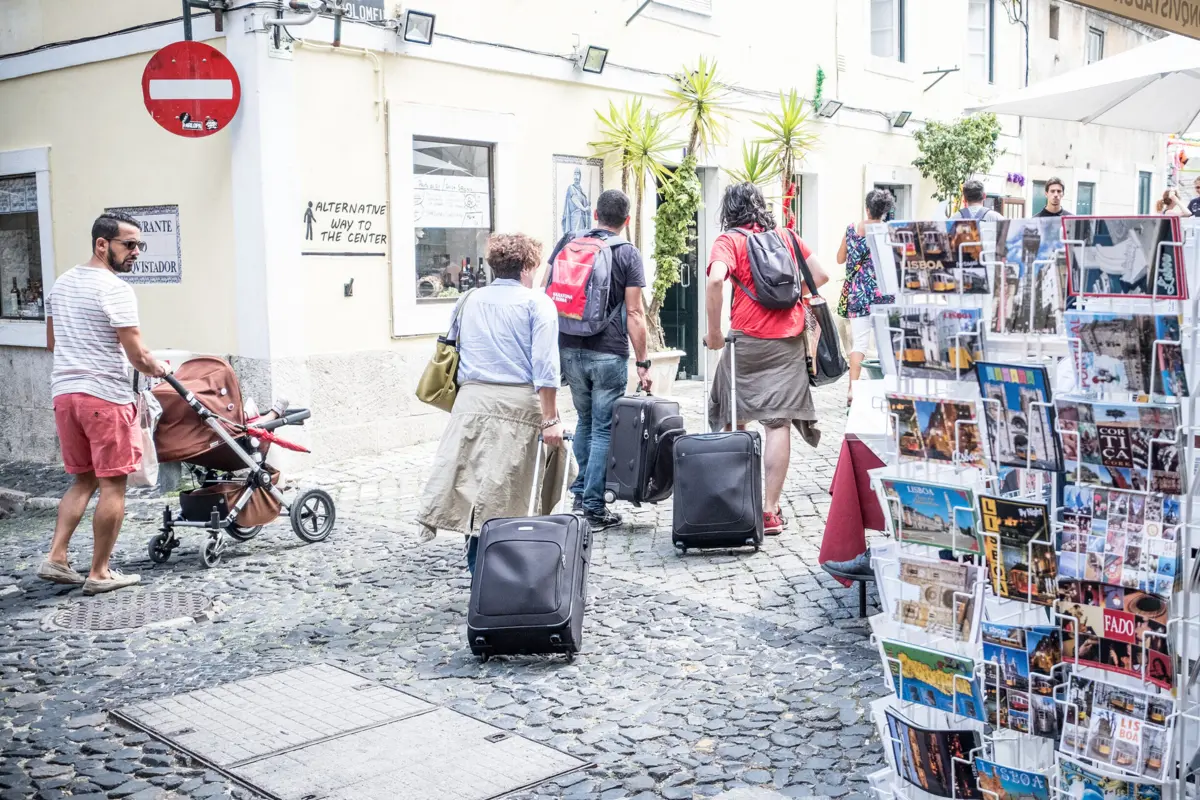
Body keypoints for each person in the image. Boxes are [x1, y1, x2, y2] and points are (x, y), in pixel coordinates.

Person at [417, 233, 567, 575]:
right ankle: (506, 582)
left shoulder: (468, 299)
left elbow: (453, 347)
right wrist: (550, 420)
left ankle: (480, 575)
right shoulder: (537, 303)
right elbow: (545, 367)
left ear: (493, 265)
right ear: (529, 265)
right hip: (516, 408)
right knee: (512, 497)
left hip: (470, 405)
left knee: (475, 492)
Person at [39, 212, 170, 595]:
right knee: (113, 484)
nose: (136, 253)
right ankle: (99, 573)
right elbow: (138, 356)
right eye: (129, 245)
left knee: (83, 480)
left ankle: (57, 557)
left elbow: (52, 342)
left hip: (65, 395)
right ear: (102, 244)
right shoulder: (115, 289)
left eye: (139, 245)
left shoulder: (62, 284)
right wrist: (157, 367)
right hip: (104, 397)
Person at [704, 182, 828, 537]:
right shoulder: (787, 236)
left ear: (729, 210)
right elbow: (820, 276)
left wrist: (714, 333)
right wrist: (791, 299)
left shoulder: (730, 241)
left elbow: (715, 281)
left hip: (746, 342)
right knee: (777, 425)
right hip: (786, 345)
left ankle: (734, 502)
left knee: (733, 418)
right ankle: (770, 511)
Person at [548, 189, 652, 531]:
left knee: (586, 420)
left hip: (569, 347)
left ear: (594, 214)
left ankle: (579, 491)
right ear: (626, 220)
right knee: (603, 427)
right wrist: (643, 362)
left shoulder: (568, 241)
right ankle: (592, 506)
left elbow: (545, 292)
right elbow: (635, 312)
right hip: (607, 352)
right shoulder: (627, 254)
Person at [836, 188, 896, 405]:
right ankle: (887, 387)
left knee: (859, 343)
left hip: (858, 294)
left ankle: (853, 390)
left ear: (867, 207)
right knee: (885, 344)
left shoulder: (852, 229)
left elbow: (840, 259)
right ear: (886, 211)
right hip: (885, 295)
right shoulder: (890, 232)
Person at [561, 167, 592, 237]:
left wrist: (587, 205)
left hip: (581, 218)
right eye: (575, 174)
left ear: (580, 176)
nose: (576, 176)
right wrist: (584, 208)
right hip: (575, 217)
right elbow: (575, 199)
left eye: (577, 174)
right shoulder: (571, 188)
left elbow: (584, 203)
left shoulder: (581, 190)